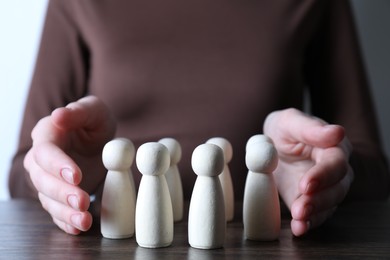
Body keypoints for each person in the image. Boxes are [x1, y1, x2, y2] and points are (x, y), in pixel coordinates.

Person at [8, 0, 390, 237]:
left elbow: (373, 169)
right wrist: (63, 174)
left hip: (260, 244)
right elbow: (21, 168)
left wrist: (319, 173)